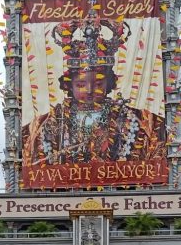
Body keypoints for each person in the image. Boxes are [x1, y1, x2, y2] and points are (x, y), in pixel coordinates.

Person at [21, 18, 165, 169]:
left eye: (98, 84)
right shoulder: (49, 122)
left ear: (109, 83)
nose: (89, 91)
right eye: (81, 84)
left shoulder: (135, 119)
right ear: (69, 85)